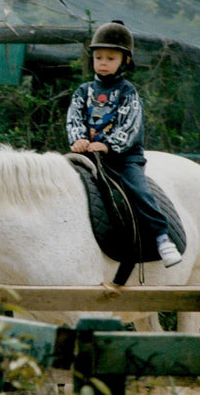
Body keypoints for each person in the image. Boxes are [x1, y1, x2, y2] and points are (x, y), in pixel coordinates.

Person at [66, 20, 182, 268]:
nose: (103, 63)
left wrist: (108, 144)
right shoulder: (83, 91)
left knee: (138, 190)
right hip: (89, 155)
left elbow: (130, 124)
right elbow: (74, 117)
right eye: (99, 57)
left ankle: (162, 237)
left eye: (110, 58)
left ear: (124, 61)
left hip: (124, 157)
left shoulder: (128, 91)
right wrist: (78, 139)